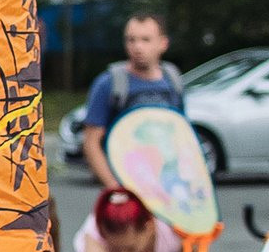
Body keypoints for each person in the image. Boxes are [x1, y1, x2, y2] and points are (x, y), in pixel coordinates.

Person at [80, 12, 188, 190]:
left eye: (145, 40)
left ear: (163, 43)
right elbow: (91, 143)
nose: (137, 47)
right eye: (131, 40)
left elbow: (182, 135)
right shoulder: (109, 83)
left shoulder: (173, 80)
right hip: (127, 190)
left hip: (169, 191)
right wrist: (115, 189)